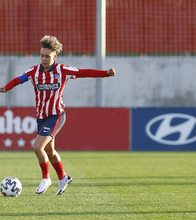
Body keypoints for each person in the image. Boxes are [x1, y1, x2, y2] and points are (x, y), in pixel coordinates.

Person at [0, 35, 116, 195]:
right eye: (42, 55)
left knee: (37, 146)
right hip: (41, 117)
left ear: (55, 56)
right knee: (49, 151)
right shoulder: (34, 71)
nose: (44, 59)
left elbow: (83, 72)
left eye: (47, 56)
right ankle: (63, 177)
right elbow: (19, 79)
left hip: (56, 115)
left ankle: (46, 178)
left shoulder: (62, 70)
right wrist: (6, 87)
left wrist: (105, 73)